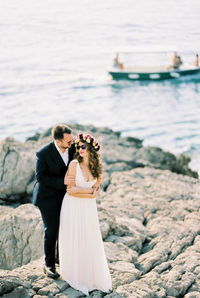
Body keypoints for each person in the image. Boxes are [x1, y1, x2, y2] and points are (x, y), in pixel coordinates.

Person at [59, 133, 112, 296]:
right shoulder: (74, 164)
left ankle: (90, 276)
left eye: (83, 146)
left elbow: (96, 191)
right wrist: (89, 192)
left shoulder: (98, 169)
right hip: (73, 206)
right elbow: (71, 191)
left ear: (91, 148)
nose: (80, 149)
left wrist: (87, 193)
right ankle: (75, 275)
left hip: (88, 208)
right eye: (78, 146)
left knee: (89, 239)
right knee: (75, 237)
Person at [32, 124, 76, 279]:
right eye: (69, 142)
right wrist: (63, 181)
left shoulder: (72, 147)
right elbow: (40, 178)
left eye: (73, 140)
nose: (72, 144)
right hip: (47, 197)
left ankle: (61, 257)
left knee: (65, 228)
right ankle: (49, 264)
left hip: (66, 196)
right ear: (58, 141)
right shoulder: (43, 153)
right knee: (51, 230)